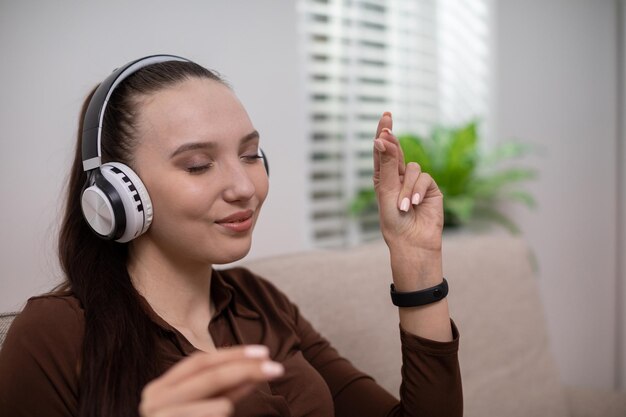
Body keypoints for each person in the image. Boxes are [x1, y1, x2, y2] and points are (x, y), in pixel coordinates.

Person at [0, 55, 462, 417]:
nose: (245, 188)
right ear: (119, 193)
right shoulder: (54, 335)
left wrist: (416, 260)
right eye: (198, 165)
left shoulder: (261, 303)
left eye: (250, 154)